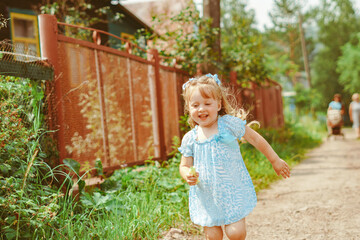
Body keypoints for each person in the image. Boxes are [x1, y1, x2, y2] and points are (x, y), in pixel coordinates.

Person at [178, 74, 290, 240]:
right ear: (189, 108)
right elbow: (184, 165)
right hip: (207, 195)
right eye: (195, 105)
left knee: (235, 233)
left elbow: (256, 139)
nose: (201, 109)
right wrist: (187, 174)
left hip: (232, 192)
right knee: (213, 236)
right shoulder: (190, 138)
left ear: (218, 104)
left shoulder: (228, 124)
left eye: (207, 103)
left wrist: (275, 160)